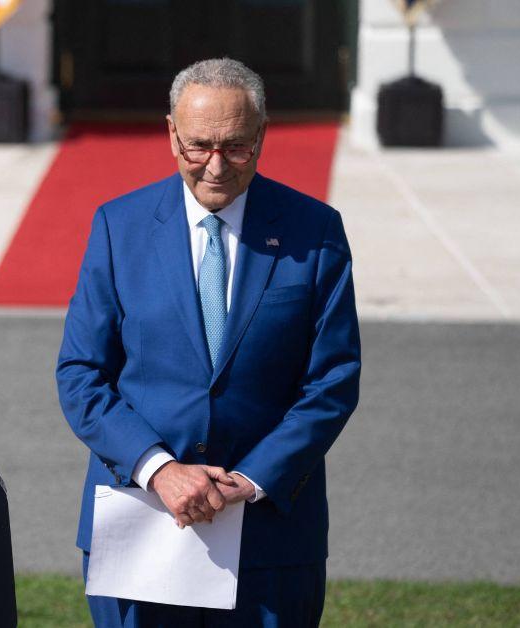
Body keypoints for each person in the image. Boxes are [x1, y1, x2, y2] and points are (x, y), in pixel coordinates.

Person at [56, 58, 360, 626]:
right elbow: (81, 373)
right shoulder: (118, 227)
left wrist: (251, 479)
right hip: (143, 521)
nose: (216, 167)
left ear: (263, 135)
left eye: (237, 147)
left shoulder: (314, 232)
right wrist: (160, 469)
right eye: (198, 146)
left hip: (270, 538)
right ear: (171, 132)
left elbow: (333, 380)